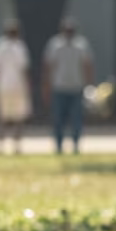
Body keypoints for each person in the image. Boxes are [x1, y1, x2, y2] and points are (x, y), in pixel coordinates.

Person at [43, 16, 95, 154]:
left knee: (76, 118)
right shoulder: (55, 45)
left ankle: (76, 144)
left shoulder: (81, 45)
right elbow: (49, 66)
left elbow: (87, 65)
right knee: (58, 119)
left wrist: (89, 83)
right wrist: (47, 84)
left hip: (76, 86)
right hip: (59, 86)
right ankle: (59, 145)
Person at [0, 19, 31, 153]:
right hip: (15, 86)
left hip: (5, 86)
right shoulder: (17, 46)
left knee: (7, 116)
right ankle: (11, 146)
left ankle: (7, 146)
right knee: (15, 116)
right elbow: (24, 69)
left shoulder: (1, 46)